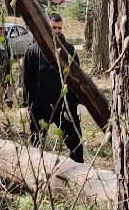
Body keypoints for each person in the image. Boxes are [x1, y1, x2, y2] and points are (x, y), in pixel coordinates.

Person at [21, 12, 84, 163]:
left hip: (64, 107)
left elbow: (77, 80)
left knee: (76, 144)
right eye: (54, 27)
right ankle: (34, 173)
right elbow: (25, 79)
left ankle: (79, 174)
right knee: (36, 144)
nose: (57, 31)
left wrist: (80, 103)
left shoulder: (69, 50)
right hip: (39, 107)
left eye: (59, 28)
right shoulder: (33, 51)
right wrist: (24, 104)